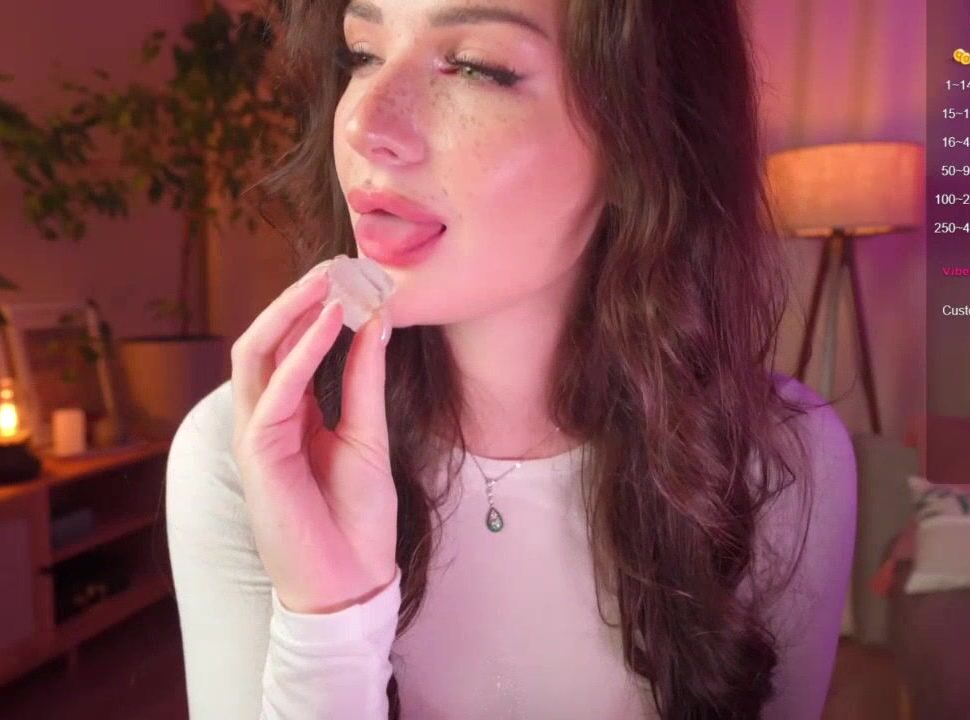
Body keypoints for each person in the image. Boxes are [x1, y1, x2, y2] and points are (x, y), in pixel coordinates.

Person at [165, 0, 857, 718]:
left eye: (477, 68)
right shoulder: (256, 455)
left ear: (647, 135)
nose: (364, 125)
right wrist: (330, 632)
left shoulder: (779, 459)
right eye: (362, 54)